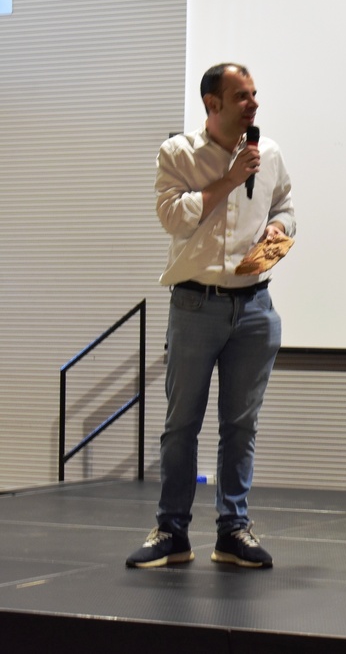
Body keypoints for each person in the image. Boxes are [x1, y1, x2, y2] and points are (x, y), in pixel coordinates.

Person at [127, 63, 296, 569]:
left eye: (255, 94)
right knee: (181, 425)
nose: (254, 104)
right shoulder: (178, 153)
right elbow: (172, 216)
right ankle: (172, 531)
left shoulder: (269, 154)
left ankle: (233, 530)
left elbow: (286, 207)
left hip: (255, 306)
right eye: (242, 96)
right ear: (212, 104)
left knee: (241, 427)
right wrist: (229, 179)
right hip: (195, 305)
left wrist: (278, 230)